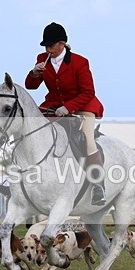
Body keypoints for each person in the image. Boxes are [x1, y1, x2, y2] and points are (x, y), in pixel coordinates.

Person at [24, 22, 106, 205]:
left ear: (62, 44)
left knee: (87, 140)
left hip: (82, 106)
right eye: (45, 46)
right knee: (32, 132)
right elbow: (31, 85)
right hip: (53, 106)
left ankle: (98, 186)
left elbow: (88, 93)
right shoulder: (42, 58)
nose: (48, 49)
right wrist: (34, 73)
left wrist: (68, 107)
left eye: (51, 45)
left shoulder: (80, 62)